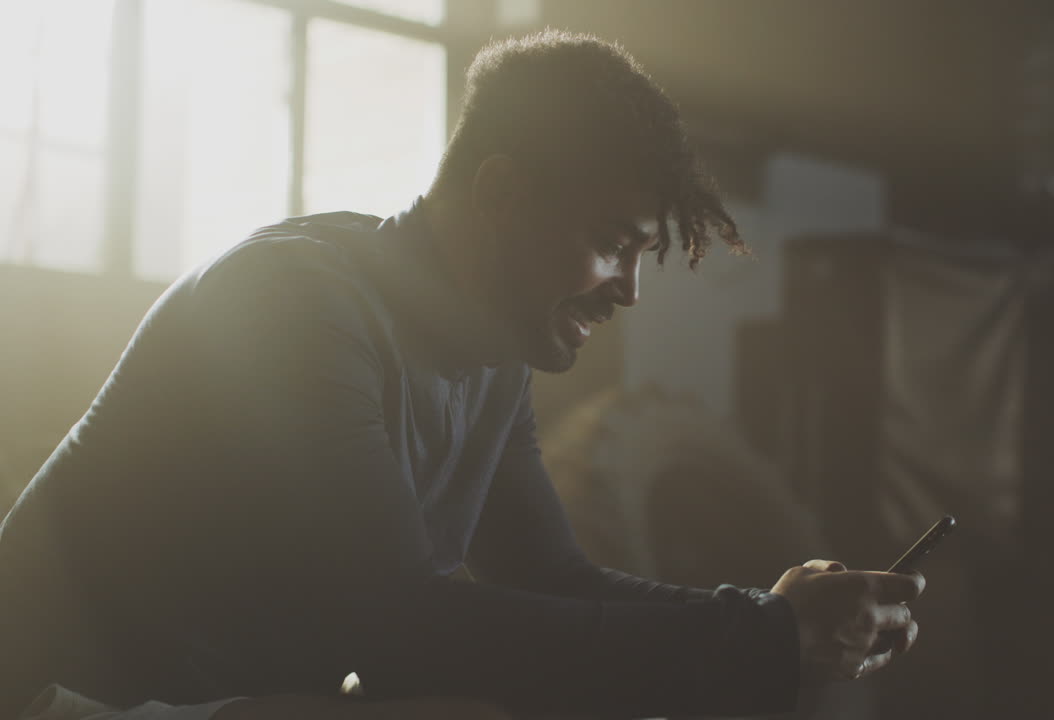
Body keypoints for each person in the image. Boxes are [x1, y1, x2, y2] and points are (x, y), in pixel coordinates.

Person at [0, 30, 924, 720]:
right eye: (612, 245)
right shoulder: (292, 305)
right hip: (53, 696)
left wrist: (767, 617)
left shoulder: (489, 361)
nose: (630, 291)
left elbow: (555, 579)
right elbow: (408, 634)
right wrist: (759, 638)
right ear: (499, 194)